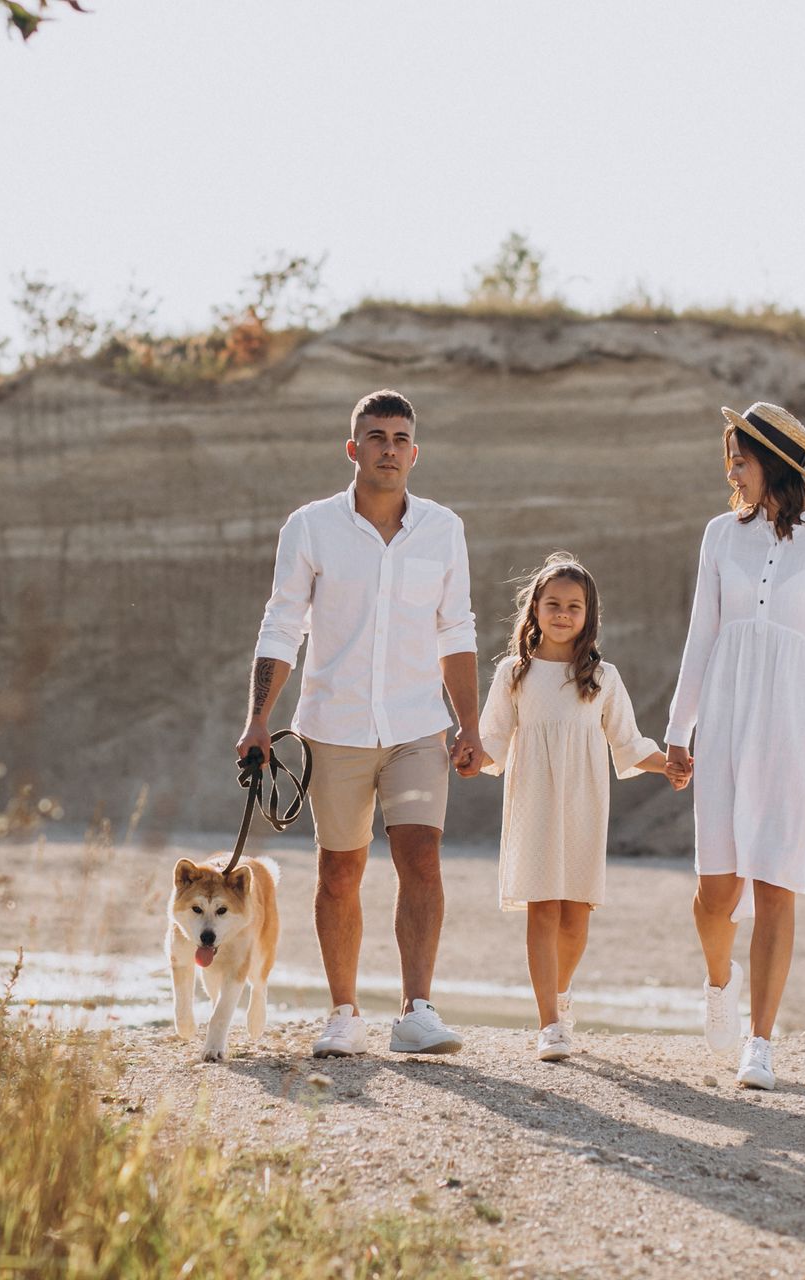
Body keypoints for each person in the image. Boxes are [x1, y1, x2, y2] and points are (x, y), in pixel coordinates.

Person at [240, 389, 487, 1058]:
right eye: (376, 437)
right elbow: (283, 622)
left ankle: (416, 1011)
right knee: (340, 872)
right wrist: (258, 718)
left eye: (400, 438)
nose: (389, 448)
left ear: (415, 452)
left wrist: (469, 726)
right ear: (354, 448)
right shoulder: (311, 527)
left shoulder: (443, 529)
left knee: (422, 856)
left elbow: (455, 628)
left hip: (416, 729)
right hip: (333, 726)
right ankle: (344, 1014)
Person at [664, 401, 805, 1091]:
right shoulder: (721, 535)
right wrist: (677, 730)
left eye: (740, 457)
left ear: (774, 463)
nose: (731, 469)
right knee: (715, 891)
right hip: (725, 716)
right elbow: (700, 635)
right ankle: (718, 980)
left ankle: (760, 1043)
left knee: (778, 884)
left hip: (799, 725)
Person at [478, 553, 680, 1062]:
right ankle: (549, 1023)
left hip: (585, 800)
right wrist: (462, 754)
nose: (563, 614)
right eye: (553, 604)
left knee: (575, 916)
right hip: (534, 802)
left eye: (574, 606)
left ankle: (561, 993)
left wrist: (670, 764)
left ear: (589, 614)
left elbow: (629, 742)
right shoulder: (514, 673)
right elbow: (491, 741)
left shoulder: (602, 676)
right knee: (543, 908)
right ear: (534, 609)